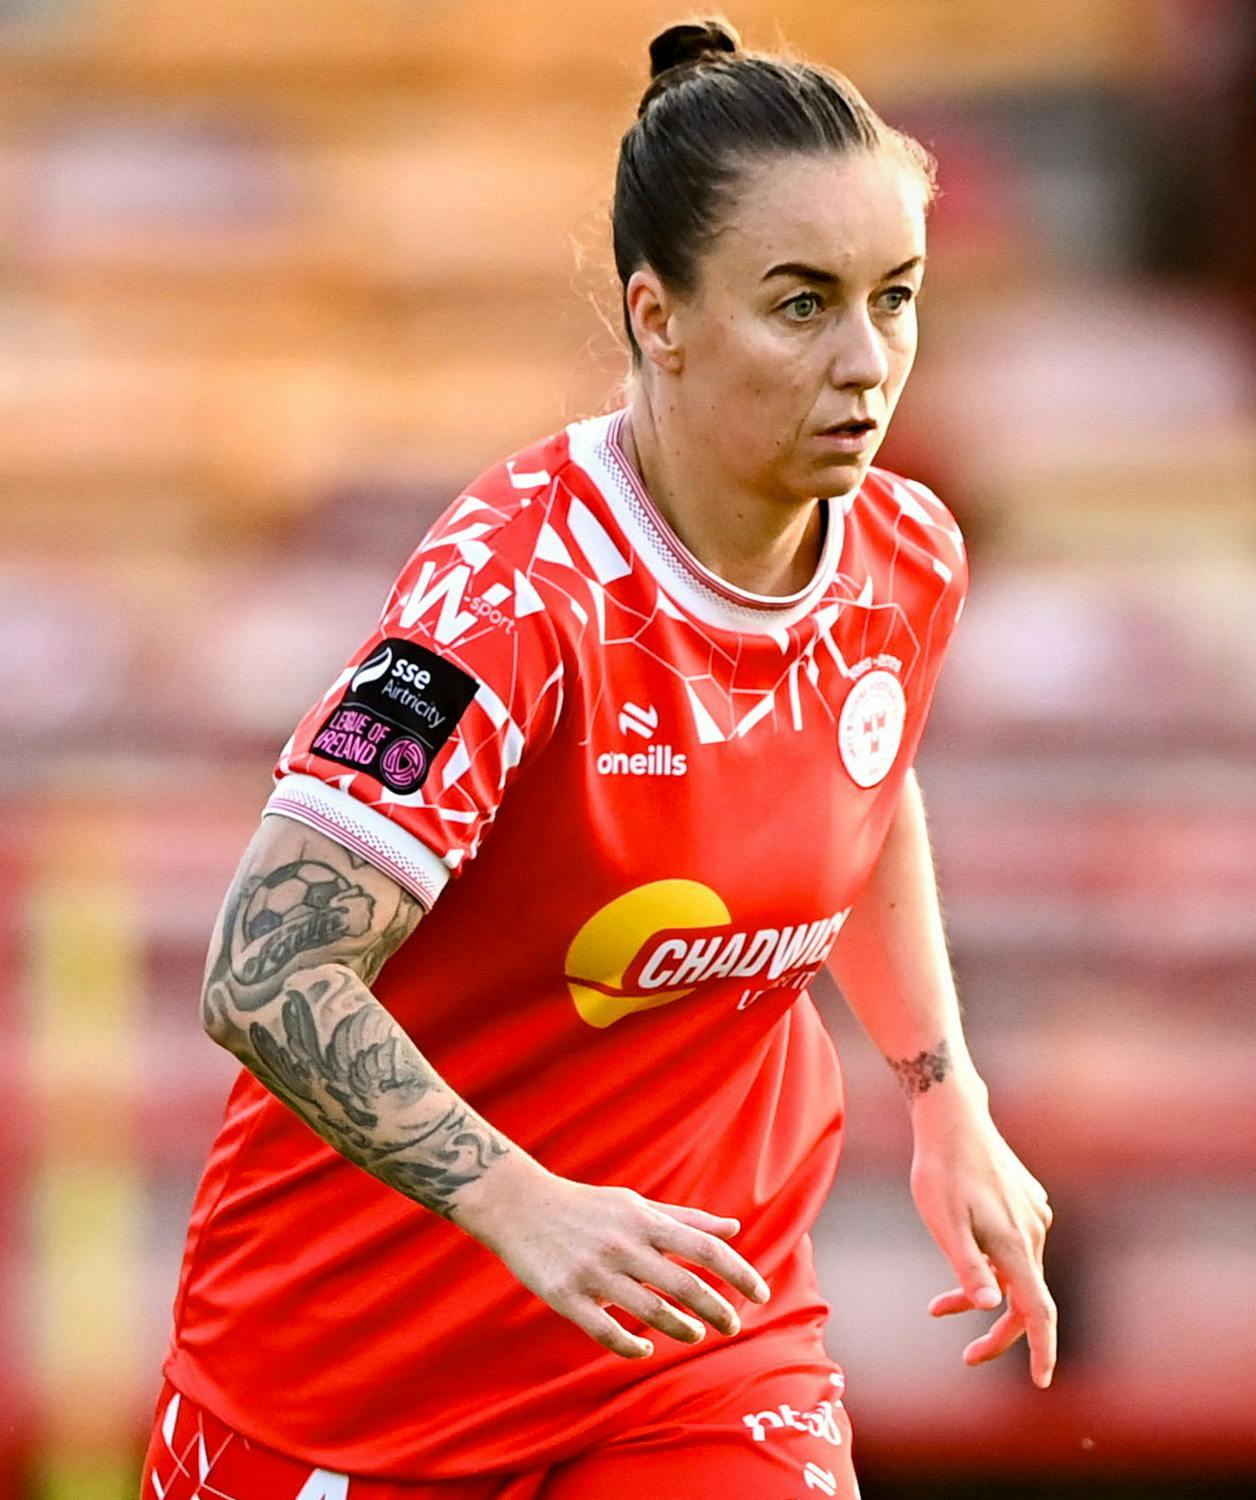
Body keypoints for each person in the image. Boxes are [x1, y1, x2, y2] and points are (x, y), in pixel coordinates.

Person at [142, 17, 1055, 1500]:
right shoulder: (509, 602)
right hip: (354, 1384)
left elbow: (860, 785)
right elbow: (261, 973)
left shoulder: (906, 558)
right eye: (802, 305)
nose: (866, 362)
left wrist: (947, 1099)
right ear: (658, 315)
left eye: (895, 298)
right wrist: (523, 1206)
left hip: (695, 1350)